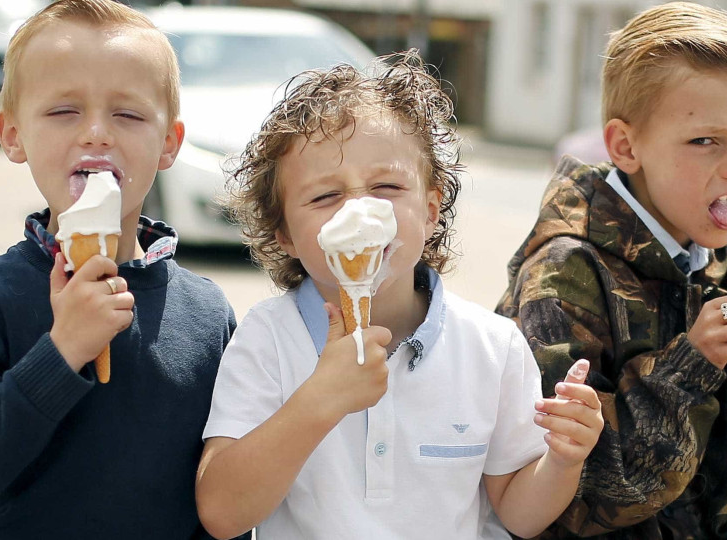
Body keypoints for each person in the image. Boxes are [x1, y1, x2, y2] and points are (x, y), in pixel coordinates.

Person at [193, 51, 604, 540]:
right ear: (284, 234)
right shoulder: (268, 338)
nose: (359, 211)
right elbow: (222, 513)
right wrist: (318, 401)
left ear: (431, 211)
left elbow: (519, 513)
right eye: (325, 197)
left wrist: (563, 459)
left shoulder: (493, 348)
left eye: (386, 186)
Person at [496, 2, 727, 539]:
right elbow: (578, 499)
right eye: (705, 140)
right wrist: (695, 363)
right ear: (626, 146)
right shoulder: (566, 274)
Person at [0, 1, 243, 538]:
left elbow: (221, 494)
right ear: (12, 135)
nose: (97, 133)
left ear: (169, 142)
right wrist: (62, 350)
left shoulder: (208, 315)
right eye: (63, 111)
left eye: (129, 115)